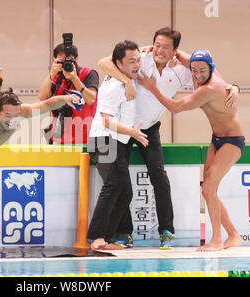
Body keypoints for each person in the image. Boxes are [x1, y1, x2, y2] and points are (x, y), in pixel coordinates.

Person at [97, 27, 239, 249]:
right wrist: (125, 81)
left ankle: (166, 231)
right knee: (122, 182)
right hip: (124, 127)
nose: (160, 50)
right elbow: (104, 62)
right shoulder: (141, 58)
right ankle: (124, 232)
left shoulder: (182, 72)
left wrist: (232, 86)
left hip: (150, 128)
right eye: (157, 45)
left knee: (160, 178)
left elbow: (207, 70)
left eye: (166, 47)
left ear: (175, 51)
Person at [138, 49, 244, 252]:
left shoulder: (210, 87)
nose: (196, 74)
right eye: (193, 70)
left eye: (201, 70)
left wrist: (153, 88)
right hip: (217, 139)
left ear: (212, 68)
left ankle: (217, 240)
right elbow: (175, 52)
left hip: (233, 140)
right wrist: (153, 49)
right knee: (208, 188)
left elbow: (176, 107)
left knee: (208, 189)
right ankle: (233, 235)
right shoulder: (198, 67)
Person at [87, 40, 149, 251]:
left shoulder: (124, 78)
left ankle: (105, 237)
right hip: (103, 140)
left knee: (124, 193)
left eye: (138, 60)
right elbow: (107, 120)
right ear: (118, 64)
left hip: (118, 142)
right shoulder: (114, 86)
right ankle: (97, 238)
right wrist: (132, 132)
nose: (137, 65)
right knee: (113, 186)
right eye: (131, 61)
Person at [38, 42, 99, 144]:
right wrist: (52, 74)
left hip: (86, 138)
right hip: (60, 138)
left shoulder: (88, 73)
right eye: (61, 61)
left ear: (76, 58)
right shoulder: (56, 78)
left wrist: (74, 78)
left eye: (69, 61)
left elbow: (90, 99)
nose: (65, 65)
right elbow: (42, 96)